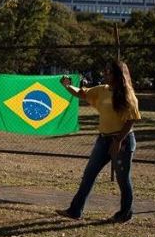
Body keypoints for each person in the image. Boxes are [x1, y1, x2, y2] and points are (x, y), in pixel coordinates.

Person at [56, 60, 142, 223]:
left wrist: (118, 141)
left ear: (118, 75)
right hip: (103, 141)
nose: (105, 74)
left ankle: (125, 213)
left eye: (109, 72)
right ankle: (75, 211)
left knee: (123, 179)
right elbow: (81, 93)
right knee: (89, 174)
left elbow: (132, 119)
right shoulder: (102, 90)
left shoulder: (127, 94)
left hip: (121, 141)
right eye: (105, 71)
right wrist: (67, 86)